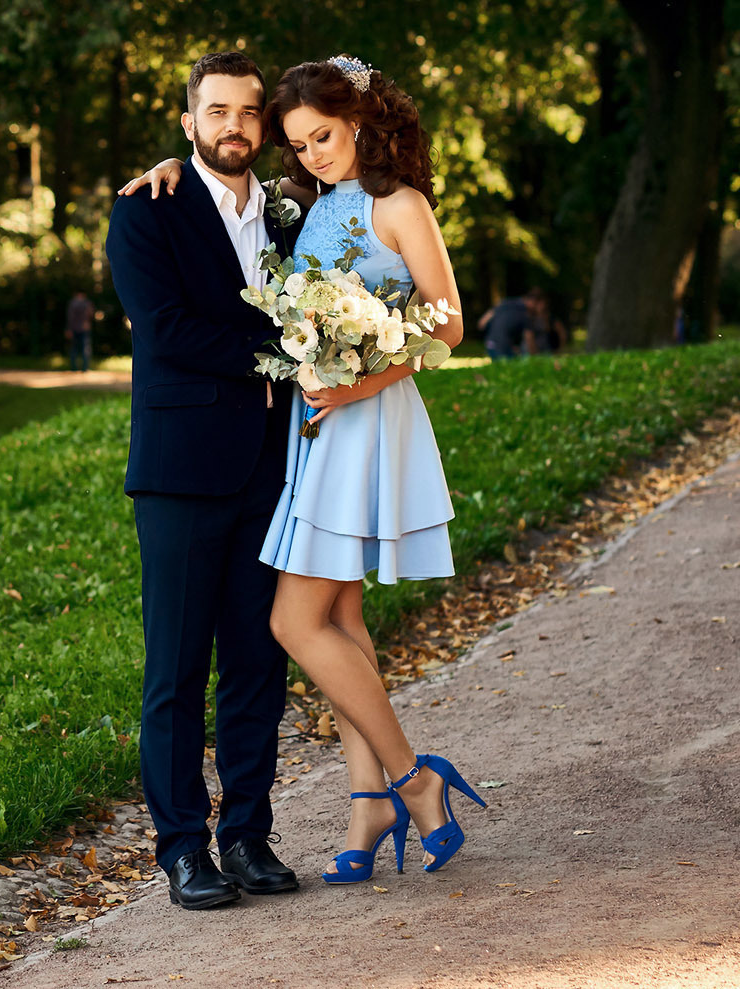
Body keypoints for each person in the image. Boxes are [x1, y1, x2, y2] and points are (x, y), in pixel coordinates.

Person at [123, 55, 487, 887]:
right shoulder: (245, 206)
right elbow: (183, 295)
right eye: (299, 142)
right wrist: (176, 159)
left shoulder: (350, 206)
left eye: (319, 134)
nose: (310, 152)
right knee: (284, 636)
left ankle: (369, 794)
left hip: (330, 431)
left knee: (283, 635)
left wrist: (348, 376)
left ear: (357, 121)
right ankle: (318, 815)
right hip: (256, 446)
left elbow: (445, 321)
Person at [104, 50, 306, 910]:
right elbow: (166, 329)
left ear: (264, 123)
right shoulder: (146, 209)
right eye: (216, 111)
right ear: (190, 122)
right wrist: (284, 352)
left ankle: (248, 834)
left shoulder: (293, 214)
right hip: (181, 472)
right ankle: (183, 847)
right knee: (178, 671)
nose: (234, 125)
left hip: (272, 467)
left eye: (249, 111)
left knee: (259, 660)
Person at [477, 289, 541, 361]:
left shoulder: (506, 302)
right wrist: (535, 357)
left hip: (490, 344)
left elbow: (481, 323)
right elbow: (529, 338)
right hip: (503, 347)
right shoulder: (525, 314)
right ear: (532, 301)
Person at [65, 290, 96, 371]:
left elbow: (70, 317)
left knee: (74, 348)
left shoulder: (72, 303)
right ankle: (85, 368)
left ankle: (73, 368)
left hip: (74, 328)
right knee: (85, 348)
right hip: (85, 328)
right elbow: (91, 314)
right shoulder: (87, 303)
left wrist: (69, 329)